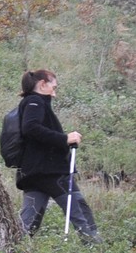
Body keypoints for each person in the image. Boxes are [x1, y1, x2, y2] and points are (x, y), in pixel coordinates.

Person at [15, 70, 99, 240]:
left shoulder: (32, 102)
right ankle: (96, 248)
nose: (55, 92)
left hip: (35, 173)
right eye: (53, 87)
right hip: (50, 171)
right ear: (42, 84)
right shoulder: (34, 101)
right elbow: (30, 128)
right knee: (80, 212)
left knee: (28, 222)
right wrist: (65, 139)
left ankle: (15, 249)